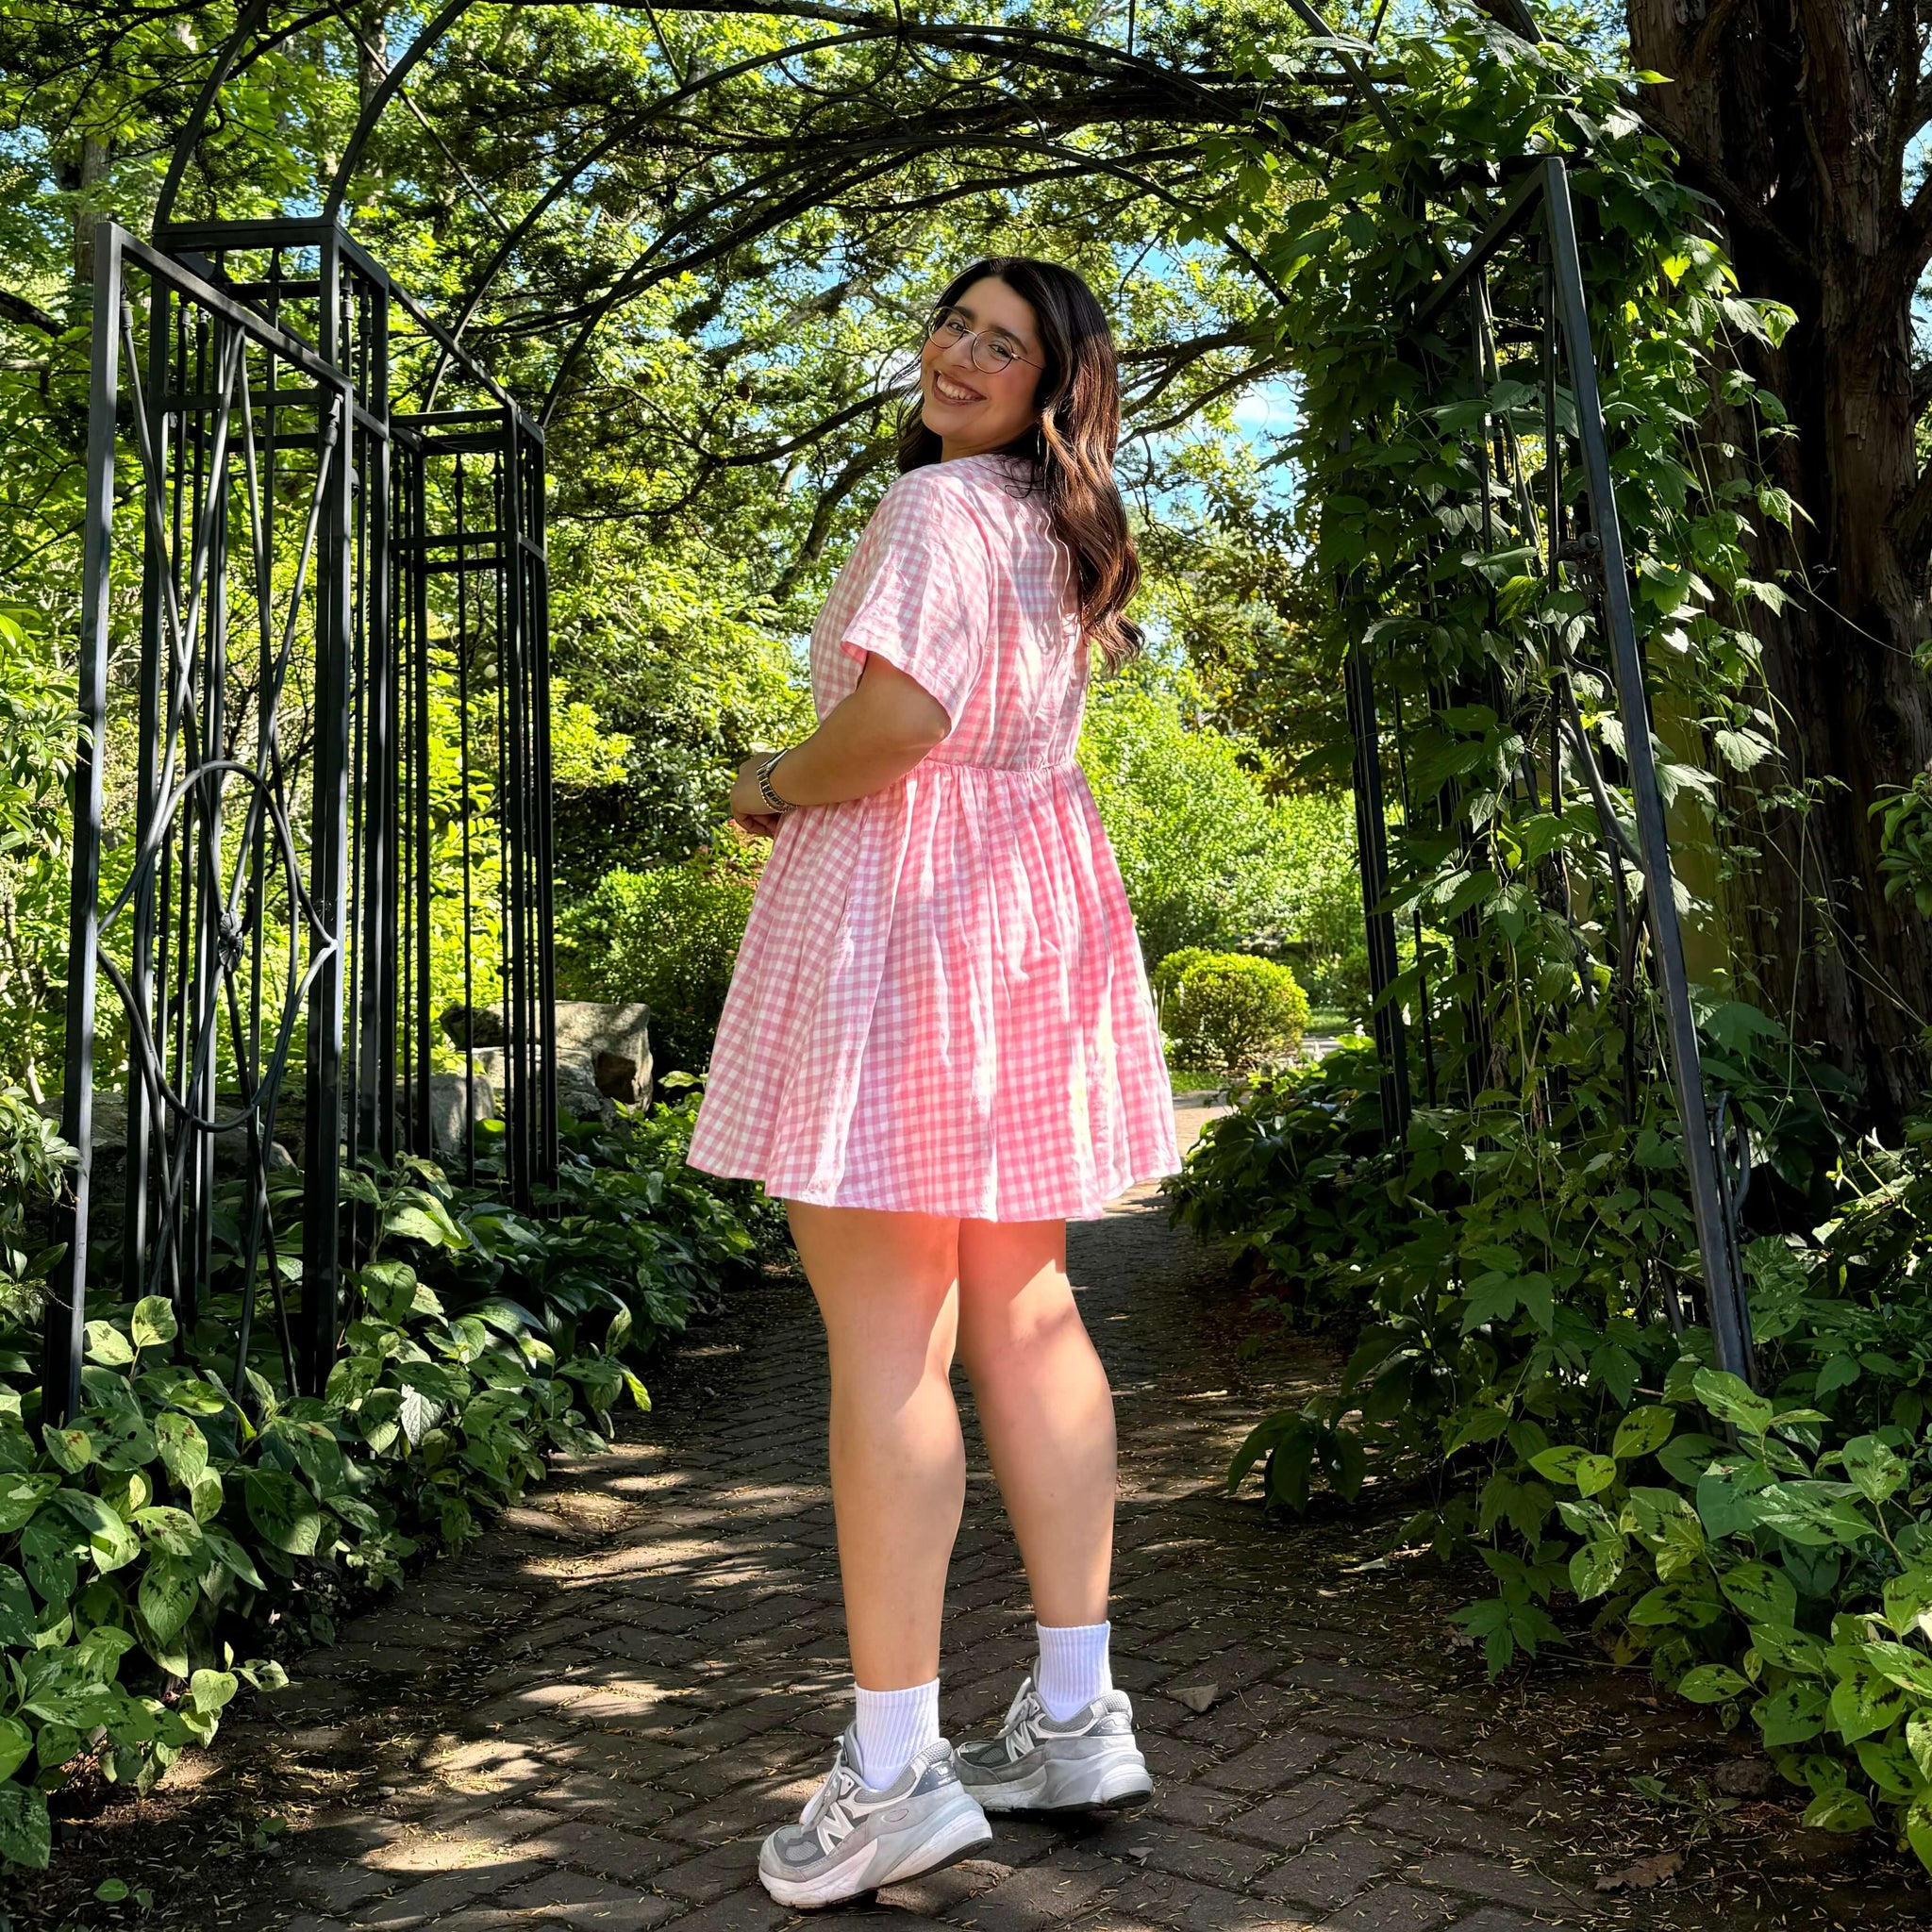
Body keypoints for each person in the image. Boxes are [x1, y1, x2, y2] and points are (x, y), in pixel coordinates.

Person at [682, 256, 1182, 1910]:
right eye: (954, 324)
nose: (959, 354)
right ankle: (1075, 1719)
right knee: (1029, 1314)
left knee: (892, 1336)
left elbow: (899, 719)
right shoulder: (1064, 532)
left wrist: (770, 781)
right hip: (1028, 919)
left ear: (1052, 384)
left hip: (904, 915)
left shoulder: (935, 507)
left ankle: (894, 1772)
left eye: (1002, 343)